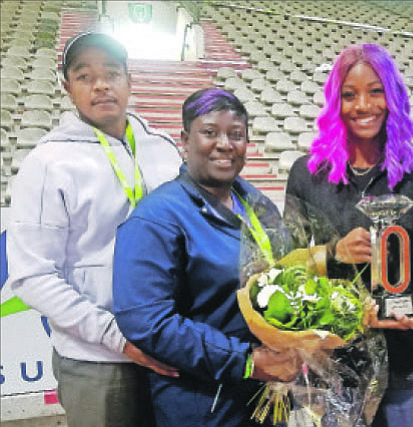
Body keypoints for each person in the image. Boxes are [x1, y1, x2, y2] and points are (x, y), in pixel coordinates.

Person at [6, 32, 182, 427]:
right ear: (66, 87)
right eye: (84, 76)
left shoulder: (164, 147)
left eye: (112, 73)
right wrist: (117, 337)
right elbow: (32, 275)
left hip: (171, 347)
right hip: (98, 363)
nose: (101, 84)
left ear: (129, 80)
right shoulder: (48, 163)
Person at [112, 88, 302, 427]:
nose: (225, 144)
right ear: (186, 139)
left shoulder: (257, 203)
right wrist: (245, 360)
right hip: (203, 404)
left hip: (266, 394)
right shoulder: (157, 217)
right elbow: (146, 320)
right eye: (210, 132)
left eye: (236, 134)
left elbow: (285, 275)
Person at [284, 44, 413, 427]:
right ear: (334, 101)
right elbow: (285, 270)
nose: (363, 105)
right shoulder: (306, 174)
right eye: (349, 94)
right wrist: (333, 252)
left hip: (404, 363)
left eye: (376, 91)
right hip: (333, 364)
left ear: (393, 96)